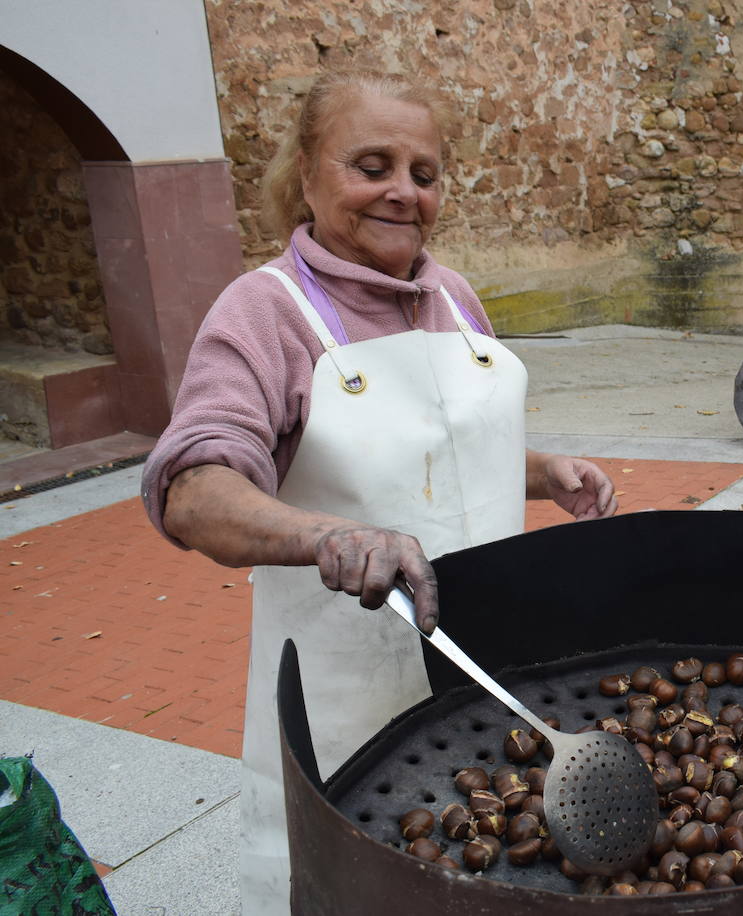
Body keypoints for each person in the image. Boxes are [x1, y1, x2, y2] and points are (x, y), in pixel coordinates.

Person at [140, 71, 616, 914]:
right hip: (346, 703)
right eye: (371, 165)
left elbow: (447, 450)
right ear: (308, 175)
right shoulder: (265, 312)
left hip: (489, 683)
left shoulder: (456, 300)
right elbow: (194, 487)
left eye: (423, 174)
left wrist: (544, 473)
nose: (402, 191)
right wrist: (329, 536)